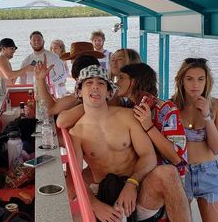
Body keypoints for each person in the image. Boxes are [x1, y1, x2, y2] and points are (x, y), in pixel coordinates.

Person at [70, 65, 190, 222]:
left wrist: (132, 184)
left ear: (108, 92)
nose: (95, 87)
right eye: (88, 83)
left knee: (169, 173)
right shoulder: (76, 132)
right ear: (79, 92)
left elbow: (148, 156)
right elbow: (74, 176)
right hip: (104, 194)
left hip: (139, 190)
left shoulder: (128, 116)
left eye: (101, 83)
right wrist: (95, 205)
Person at [171, 58, 218, 222]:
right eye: (189, 79)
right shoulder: (171, 106)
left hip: (209, 173)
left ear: (207, 81)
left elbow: (217, 148)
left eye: (200, 79)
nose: (195, 84)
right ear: (181, 81)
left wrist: (207, 116)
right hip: (181, 174)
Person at [35, 42, 103, 115]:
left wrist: (40, 79)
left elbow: (50, 110)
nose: (72, 64)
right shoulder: (104, 88)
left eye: (73, 61)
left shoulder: (81, 95)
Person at [19, 31, 67, 98]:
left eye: (39, 40)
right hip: (32, 95)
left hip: (51, 94)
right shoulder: (26, 61)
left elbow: (62, 75)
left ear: (43, 41)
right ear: (30, 43)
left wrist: (49, 84)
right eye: (34, 40)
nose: (36, 42)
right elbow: (22, 81)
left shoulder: (54, 57)